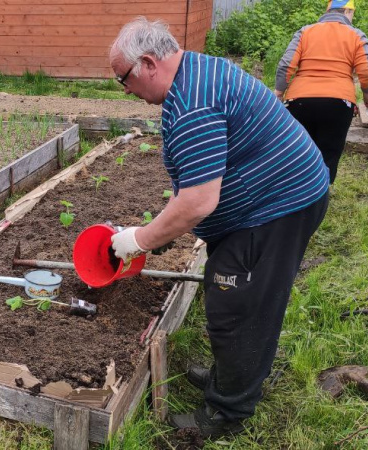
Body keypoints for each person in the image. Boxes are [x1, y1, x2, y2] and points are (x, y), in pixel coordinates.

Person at [108, 17, 329, 438]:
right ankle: (228, 377)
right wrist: (157, 230)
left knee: (239, 307)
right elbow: (195, 182)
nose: (126, 91)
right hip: (273, 197)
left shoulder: (193, 103)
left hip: (278, 208)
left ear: (150, 64)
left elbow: (197, 202)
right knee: (230, 288)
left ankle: (226, 413)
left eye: (124, 79)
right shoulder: (193, 73)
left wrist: (137, 240)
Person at [275, 0, 368, 184]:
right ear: (348, 11)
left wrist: (278, 92)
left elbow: (286, 64)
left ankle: (294, 195)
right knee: (329, 153)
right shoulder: (356, 35)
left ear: (328, 10)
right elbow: (367, 71)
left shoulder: (305, 32)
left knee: (299, 152)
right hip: (339, 103)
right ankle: (319, 197)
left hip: (299, 101)